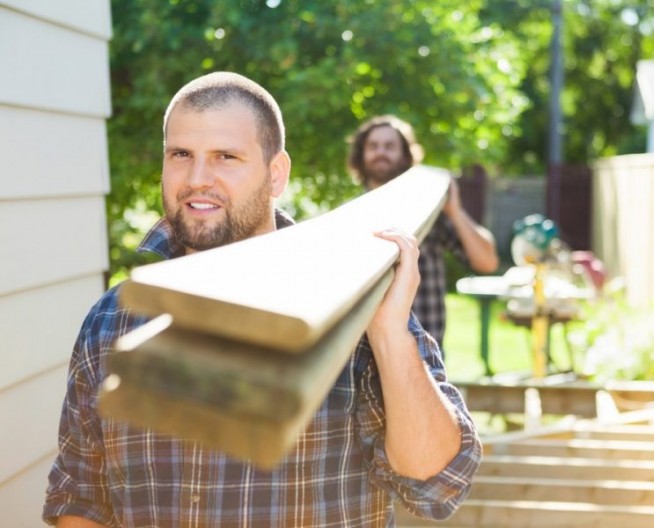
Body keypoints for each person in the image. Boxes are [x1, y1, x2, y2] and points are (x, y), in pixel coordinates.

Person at [43, 72, 481, 527]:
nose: (197, 179)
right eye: (181, 155)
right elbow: (80, 497)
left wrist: (390, 332)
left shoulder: (345, 301)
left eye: (225, 157)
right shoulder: (112, 319)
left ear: (276, 174)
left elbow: (436, 485)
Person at [347, 116, 499, 349]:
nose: (381, 152)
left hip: (425, 355)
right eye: (373, 146)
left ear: (406, 156)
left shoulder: (426, 211)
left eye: (390, 146)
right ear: (362, 155)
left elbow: (487, 262)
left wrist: (455, 211)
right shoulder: (351, 217)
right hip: (368, 357)